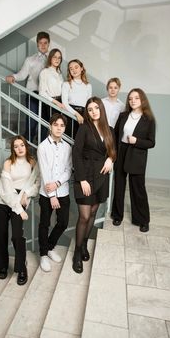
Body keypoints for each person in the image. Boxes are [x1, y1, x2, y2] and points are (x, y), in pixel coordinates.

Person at [72, 97, 116, 273]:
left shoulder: (109, 130)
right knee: (83, 216)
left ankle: (83, 246)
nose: (93, 111)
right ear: (87, 113)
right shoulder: (84, 128)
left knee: (92, 213)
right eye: (89, 109)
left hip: (101, 176)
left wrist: (111, 159)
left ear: (101, 109)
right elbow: (76, 153)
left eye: (96, 108)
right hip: (86, 175)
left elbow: (113, 150)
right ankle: (77, 252)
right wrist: (81, 179)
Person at [0, 135, 40, 285]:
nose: (19, 148)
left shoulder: (33, 162)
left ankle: (21, 267)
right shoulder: (8, 163)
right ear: (12, 149)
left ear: (26, 146)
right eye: (16, 146)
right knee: (1, 234)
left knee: (16, 235)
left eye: (22, 145)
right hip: (3, 200)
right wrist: (19, 208)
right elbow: (6, 189)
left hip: (21, 197)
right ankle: (3, 265)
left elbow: (37, 184)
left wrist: (27, 194)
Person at [111, 88, 156, 232]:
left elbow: (151, 142)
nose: (133, 101)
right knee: (119, 186)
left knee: (138, 189)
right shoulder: (123, 115)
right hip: (121, 152)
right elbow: (115, 134)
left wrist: (136, 141)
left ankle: (142, 220)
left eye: (136, 98)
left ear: (142, 100)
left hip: (136, 155)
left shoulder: (148, 120)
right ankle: (117, 215)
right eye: (130, 98)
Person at [37, 113, 72, 272]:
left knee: (63, 222)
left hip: (63, 191)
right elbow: (45, 173)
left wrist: (58, 184)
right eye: (56, 125)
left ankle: (50, 247)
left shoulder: (67, 147)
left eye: (62, 125)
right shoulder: (43, 147)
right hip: (46, 194)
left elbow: (68, 170)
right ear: (50, 126)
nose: (59, 128)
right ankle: (43, 254)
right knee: (44, 223)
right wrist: (52, 196)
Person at [5, 31, 50, 142]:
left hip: (48, 97)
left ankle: (42, 147)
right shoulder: (30, 60)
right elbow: (22, 74)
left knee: (45, 123)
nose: (43, 45)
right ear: (37, 44)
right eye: (41, 43)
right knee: (32, 122)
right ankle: (28, 145)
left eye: (45, 43)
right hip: (33, 94)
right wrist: (13, 77)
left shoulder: (52, 59)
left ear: (49, 44)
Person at [39, 48, 66, 140]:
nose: (57, 59)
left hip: (61, 101)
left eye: (59, 58)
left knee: (59, 128)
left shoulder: (59, 73)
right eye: (55, 57)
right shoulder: (45, 72)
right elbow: (42, 92)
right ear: (50, 58)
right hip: (51, 103)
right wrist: (56, 103)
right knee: (51, 128)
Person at [62, 59, 92, 137]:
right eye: (71, 68)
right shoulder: (66, 84)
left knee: (81, 141)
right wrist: (76, 115)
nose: (74, 70)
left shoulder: (88, 86)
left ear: (81, 68)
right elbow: (64, 104)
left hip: (84, 114)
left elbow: (89, 104)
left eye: (76, 67)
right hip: (70, 113)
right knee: (69, 139)